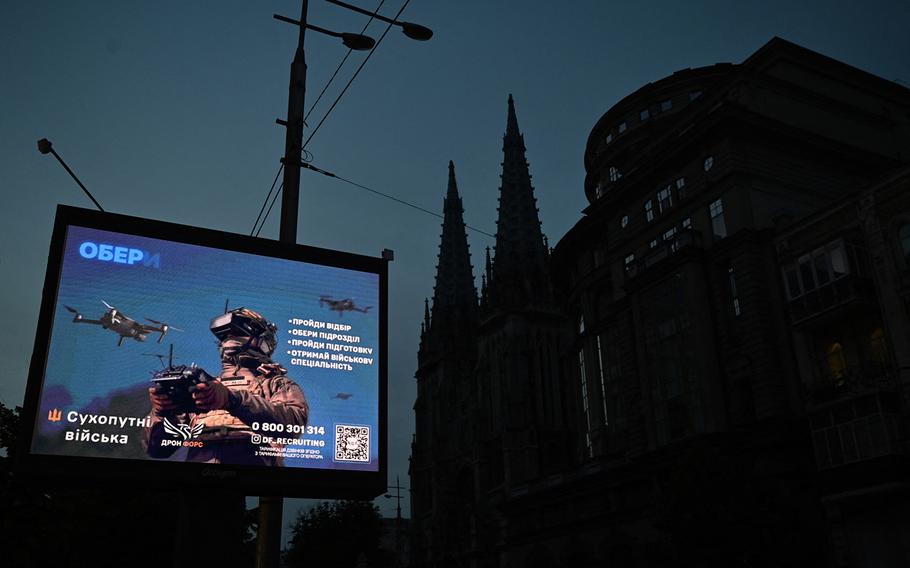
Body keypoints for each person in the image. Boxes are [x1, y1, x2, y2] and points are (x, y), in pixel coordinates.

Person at [143, 307, 308, 466]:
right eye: (225, 336)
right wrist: (161, 413)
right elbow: (158, 450)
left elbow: (292, 425)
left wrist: (233, 400)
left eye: (236, 334)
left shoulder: (275, 383)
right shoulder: (202, 388)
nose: (229, 339)